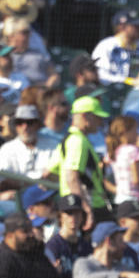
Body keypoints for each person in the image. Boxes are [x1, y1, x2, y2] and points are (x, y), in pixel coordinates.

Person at [52, 96, 112, 231]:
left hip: (75, 205)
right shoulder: (77, 141)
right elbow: (71, 176)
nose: (100, 121)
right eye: (97, 117)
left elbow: (50, 171)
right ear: (86, 116)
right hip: (91, 206)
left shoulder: (68, 139)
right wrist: (86, 209)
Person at [0, 214, 66, 278]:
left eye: (31, 230)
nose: (31, 235)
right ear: (9, 235)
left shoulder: (36, 254)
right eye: (25, 231)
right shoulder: (0, 257)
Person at [0, 103, 58, 179]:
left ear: (37, 124)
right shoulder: (6, 150)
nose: (25, 127)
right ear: (15, 126)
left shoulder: (53, 145)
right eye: (19, 122)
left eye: (29, 122)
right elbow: (3, 179)